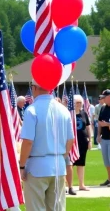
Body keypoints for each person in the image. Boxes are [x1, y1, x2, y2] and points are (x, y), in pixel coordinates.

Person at [19, 79, 74, 211]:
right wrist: (61, 156)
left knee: (36, 207)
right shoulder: (63, 110)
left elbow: (28, 142)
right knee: (57, 208)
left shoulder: (31, 110)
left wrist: (21, 165)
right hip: (58, 165)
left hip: (36, 165)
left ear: (34, 88)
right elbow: (70, 140)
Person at [66, 95, 91, 194]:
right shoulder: (69, 114)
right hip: (71, 142)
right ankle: (69, 186)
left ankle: (81, 184)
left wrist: (89, 140)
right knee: (70, 164)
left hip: (83, 141)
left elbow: (88, 127)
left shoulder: (84, 113)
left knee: (81, 164)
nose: (79, 104)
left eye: (80, 103)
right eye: (77, 102)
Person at [98, 89, 110, 187]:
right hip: (104, 138)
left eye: (105, 97)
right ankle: (109, 179)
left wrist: (107, 124)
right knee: (106, 160)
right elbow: (99, 123)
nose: (103, 99)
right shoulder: (103, 108)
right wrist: (98, 134)